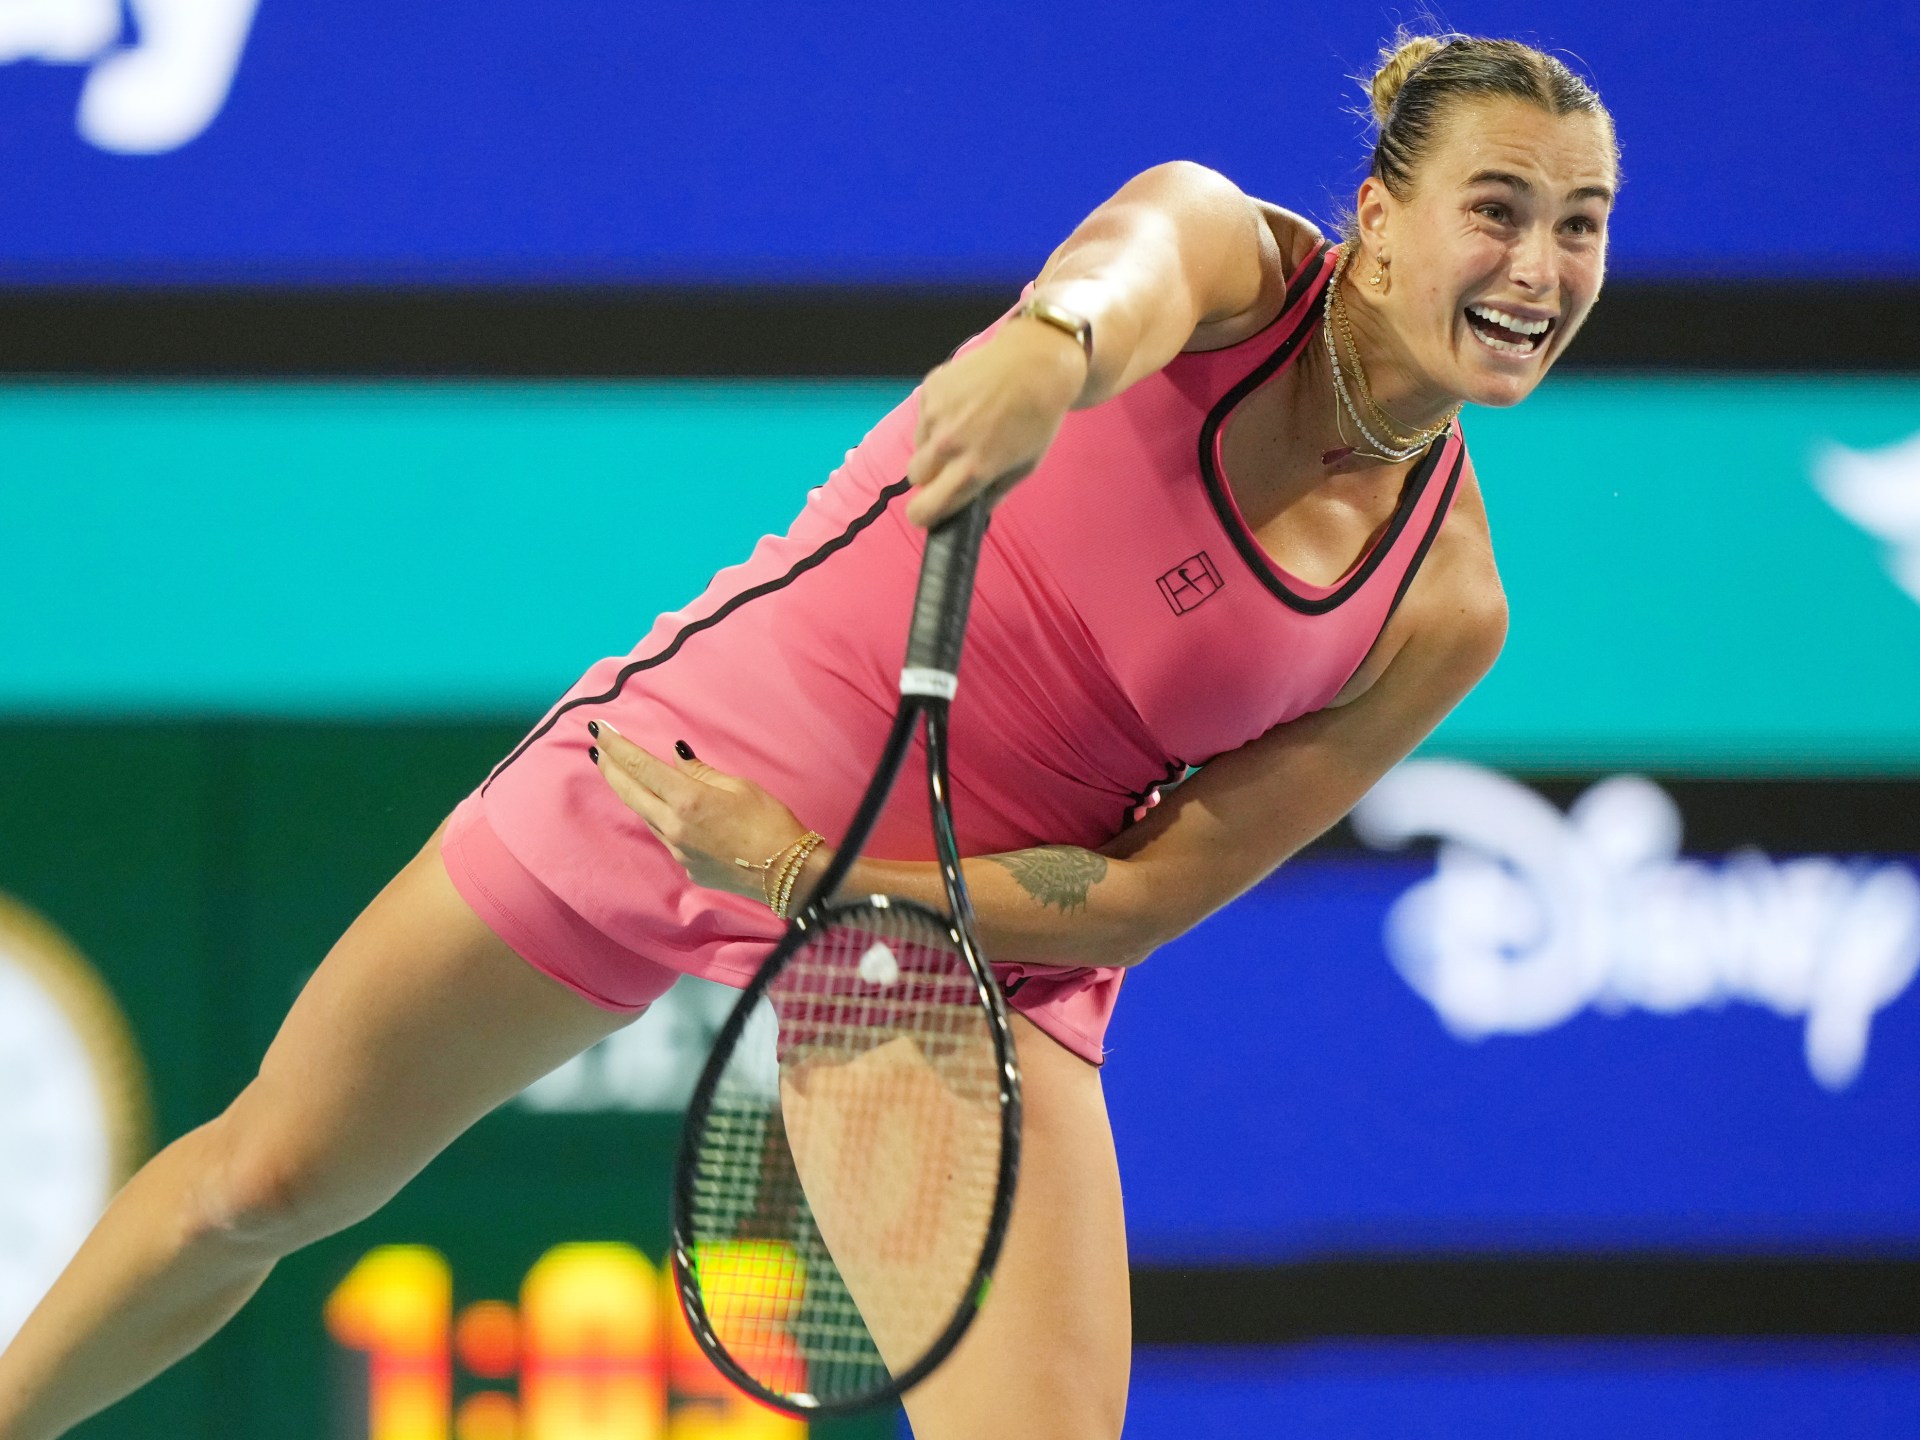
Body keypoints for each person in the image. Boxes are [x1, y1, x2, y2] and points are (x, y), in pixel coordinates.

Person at [0, 29, 1618, 1440]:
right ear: (1381, 219)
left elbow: (1139, 895)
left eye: (1582, 226)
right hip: (691, 759)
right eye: (1499, 211)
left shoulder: (1442, 607)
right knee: (268, 1180)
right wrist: (1051, 356)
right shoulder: (1224, 259)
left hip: (952, 932)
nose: (1541, 270)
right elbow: (1121, 280)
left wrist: (800, 872)